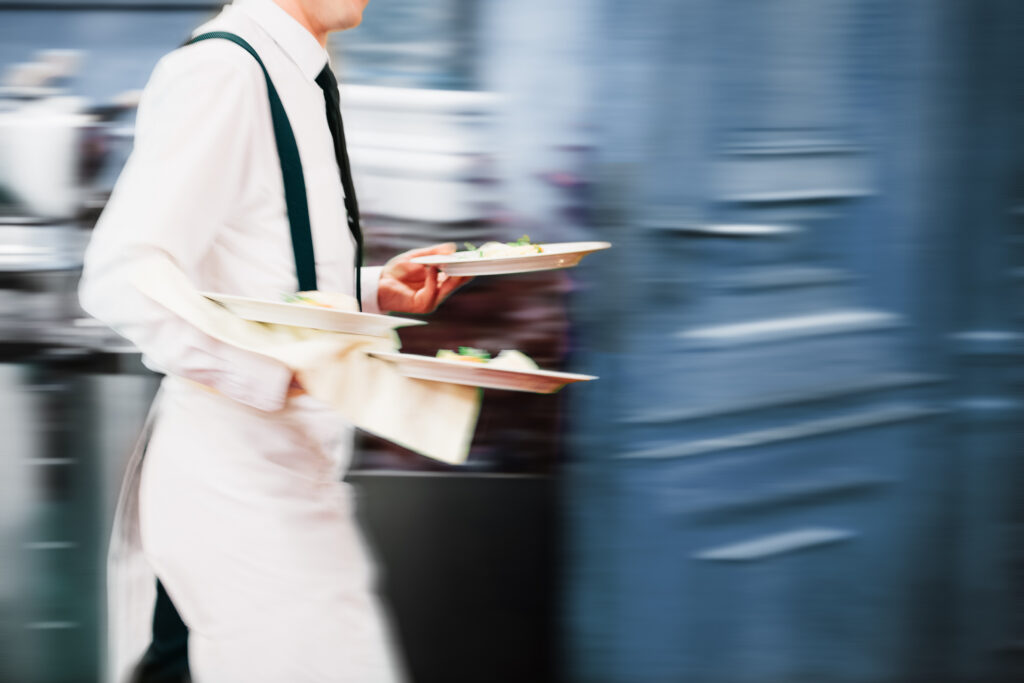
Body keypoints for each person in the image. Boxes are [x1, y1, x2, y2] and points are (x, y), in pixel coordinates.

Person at [79, 0, 468, 680]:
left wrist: (372, 289)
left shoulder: (295, 74)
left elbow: (266, 267)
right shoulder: (224, 72)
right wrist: (270, 371)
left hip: (283, 477)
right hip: (235, 488)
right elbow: (123, 274)